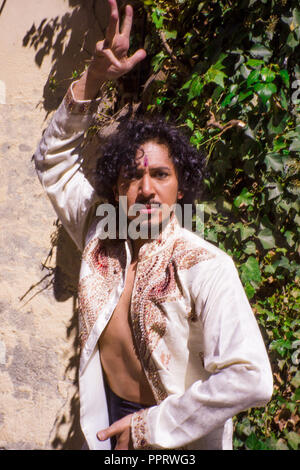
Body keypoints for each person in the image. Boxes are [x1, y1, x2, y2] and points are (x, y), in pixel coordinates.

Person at [34, 0, 273, 450]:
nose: (146, 189)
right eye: (132, 176)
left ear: (180, 188)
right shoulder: (97, 233)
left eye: (160, 175)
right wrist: (94, 78)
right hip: (105, 427)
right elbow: (52, 161)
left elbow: (251, 377)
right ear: (115, 185)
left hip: (180, 436)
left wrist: (151, 427)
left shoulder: (205, 264)